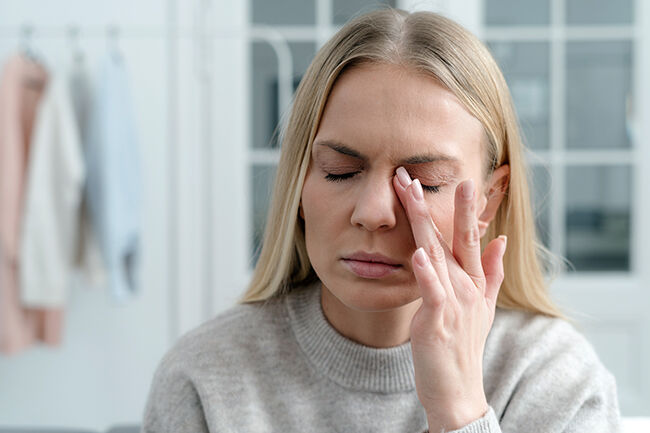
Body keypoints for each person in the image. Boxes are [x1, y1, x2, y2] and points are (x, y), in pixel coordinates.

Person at [142, 8, 620, 433]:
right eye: (339, 171)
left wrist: (460, 411)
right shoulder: (203, 378)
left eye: (424, 182)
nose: (372, 212)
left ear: (488, 200)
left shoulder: (555, 380)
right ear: (299, 186)